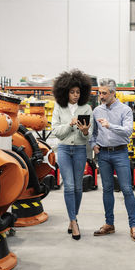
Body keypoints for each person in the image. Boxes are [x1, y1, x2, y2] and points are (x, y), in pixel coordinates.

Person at [90, 78, 135, 242]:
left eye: (104, 93)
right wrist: (93, 144)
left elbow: (128, 132)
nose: (101, 96)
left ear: (113, 93)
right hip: (103, 154)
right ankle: (109, 224)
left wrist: (110, 125)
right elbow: (93, 132)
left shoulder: (125, 110)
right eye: (100, 93)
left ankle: (133, 226)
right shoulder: (97, 110)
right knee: (106, 189)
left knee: (126, 189)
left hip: (120, 153)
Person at [52, 69, 93, 240]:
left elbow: (89, 135)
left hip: (79, 150)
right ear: (65, 92)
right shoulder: (59, 107)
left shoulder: (87, 108)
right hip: (63, 150)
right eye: (72, 92)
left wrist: (84, 131)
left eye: (78, 92)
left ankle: (72, 218)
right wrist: (70, 125)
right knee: (68, 186)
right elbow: (56, 131)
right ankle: (74, 221)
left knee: (77, 187)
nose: (75, 95)